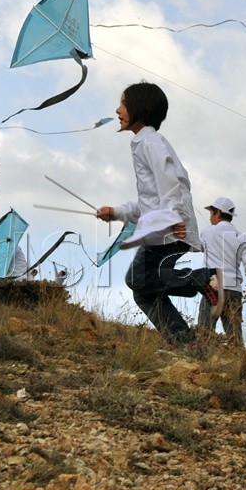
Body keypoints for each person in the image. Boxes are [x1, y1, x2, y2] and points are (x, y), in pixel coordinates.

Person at [96, 82, 216, 349]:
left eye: (123, 104)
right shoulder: (143, 143)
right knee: (143, 291)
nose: (118, 110)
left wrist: (173, 218)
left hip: (170, 230)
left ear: (141, 108)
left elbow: (171, 181)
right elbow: (148, 202)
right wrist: (116, 212)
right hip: (165, 227)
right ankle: (184, 343)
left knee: (137, 280)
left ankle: (202, 278)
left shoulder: (150, 142)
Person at [196, 196, 246, 344]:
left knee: (204, 334)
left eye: (211, 213)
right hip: (234, 290)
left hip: (214, 288)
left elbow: (198, 247)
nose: (210, 217)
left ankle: (201, 364)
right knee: (235, 338)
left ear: (218, 212)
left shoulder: (207, 231)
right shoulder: (241, 237)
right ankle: (239, 364)